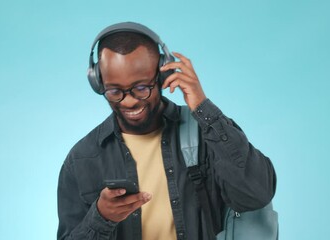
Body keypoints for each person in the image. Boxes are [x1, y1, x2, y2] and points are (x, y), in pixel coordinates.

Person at [57, 22, 276, 240]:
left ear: (162, 75)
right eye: (115, 91)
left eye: (141, 88)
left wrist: (202, 107)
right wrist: (101, 217)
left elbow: (256, 195)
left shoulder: (206, 130)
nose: (130, 101)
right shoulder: (82, 158)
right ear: (98, 83)